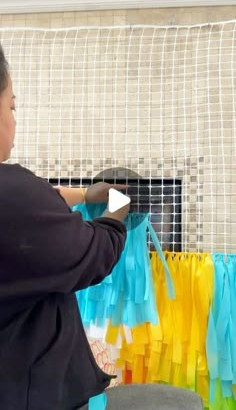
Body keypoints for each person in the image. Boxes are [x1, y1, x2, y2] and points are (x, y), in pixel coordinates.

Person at [0, 43, 203, 410]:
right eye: (12, 105)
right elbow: (95, 252)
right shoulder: (12, 190)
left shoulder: (15, 196)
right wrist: (117, 213)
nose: (15, 118)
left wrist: (84, 193)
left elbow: (29, 207)